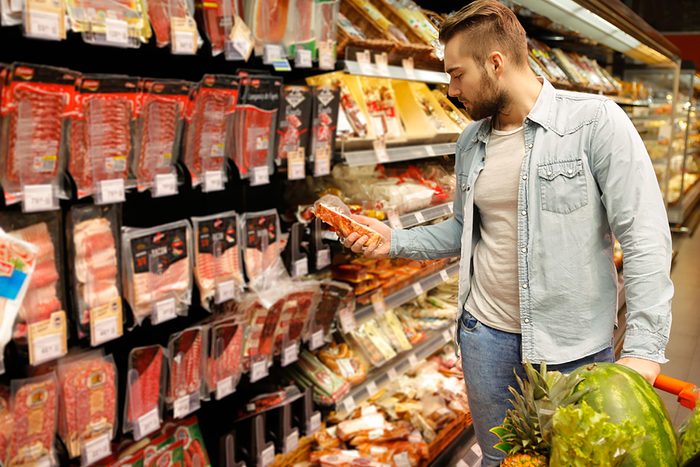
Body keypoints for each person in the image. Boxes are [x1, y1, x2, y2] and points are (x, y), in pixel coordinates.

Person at [340, 0, 674, 464]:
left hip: (571, 349)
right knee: (499, 461)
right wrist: (391, 239)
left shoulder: (595, 123)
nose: (452, 89)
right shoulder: (470, 141)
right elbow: (464, 229)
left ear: (495, 63)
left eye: (457, 74)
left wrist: (643, 350)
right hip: (486, 341)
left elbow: (644, 237)